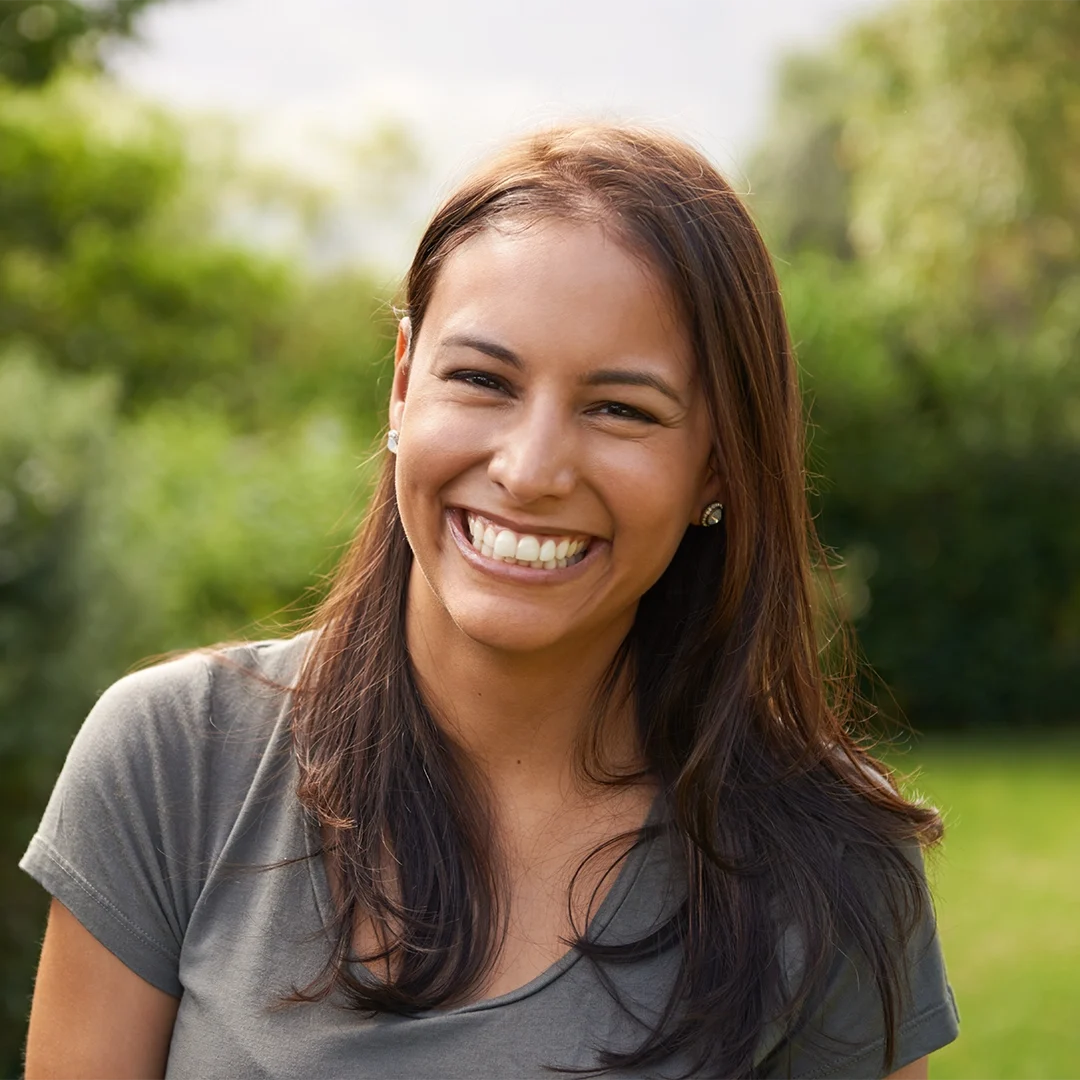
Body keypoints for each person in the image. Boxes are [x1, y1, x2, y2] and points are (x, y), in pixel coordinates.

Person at [21, 124, 958, 1079]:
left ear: (717, 461)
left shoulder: (833, 867)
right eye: (481, 379)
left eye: (620, 409)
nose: (530, 469)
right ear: (401, 383)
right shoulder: (172, 763)